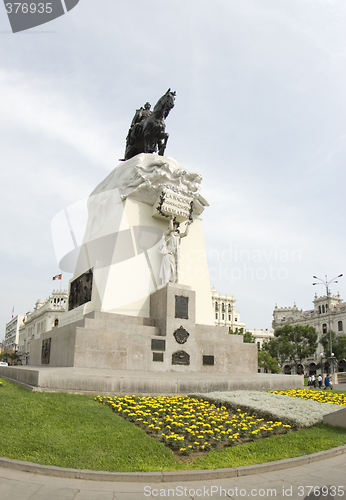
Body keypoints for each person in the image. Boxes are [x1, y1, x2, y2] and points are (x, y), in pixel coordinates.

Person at [159, 216, 192, 284]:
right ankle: (166, 282)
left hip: (173, 255)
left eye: (176, 226)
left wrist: (188, 225)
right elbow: (170, 229)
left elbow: (185, 234)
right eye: (174, 226)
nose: (175, 227)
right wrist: (171, 220)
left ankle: (171, 281)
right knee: (167, 269)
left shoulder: (178, 236)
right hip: (167, 254)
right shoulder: (168, 234)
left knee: (173, 269)